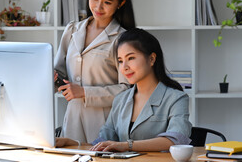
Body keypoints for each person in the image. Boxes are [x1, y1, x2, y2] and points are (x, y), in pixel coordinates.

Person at [56, 28, 192, 152]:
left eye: (131, 58)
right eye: (120, 61)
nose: (124, 67)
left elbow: (177, 139)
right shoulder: (120, 99)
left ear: (151, 59)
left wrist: (127, 145)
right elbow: (102, 142)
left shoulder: (176, 98)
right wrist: (73, 143)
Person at [54, 0, 136, 143]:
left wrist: (84, 92)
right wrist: (52, 78)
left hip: (105, 122)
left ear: (120, 3)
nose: (98, 7)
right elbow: (59, 72)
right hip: (73, 120)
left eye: (107, 2)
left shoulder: (123, 39)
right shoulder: (72, 30)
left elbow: (127, 91)